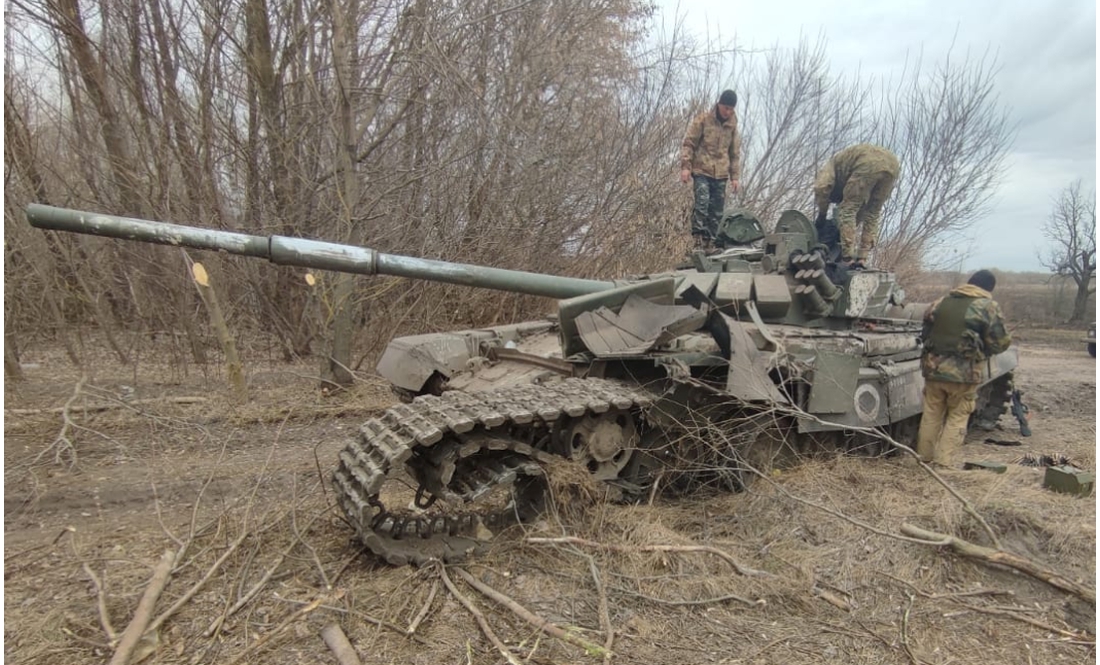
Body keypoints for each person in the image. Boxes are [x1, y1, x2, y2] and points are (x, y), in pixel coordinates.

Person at [916, 269, 1012, 468]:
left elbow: (925, 333)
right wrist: (983, 351)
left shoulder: (940, 302)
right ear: (988, 288)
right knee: (957, 416)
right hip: (964, 374)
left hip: (933, 370)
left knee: (931, 414)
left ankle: (923, 459)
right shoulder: (987, 307)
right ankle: (944, 463)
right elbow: (1001, 342)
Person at [812, 143, 899, 262]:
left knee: (848, 209)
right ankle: (863, 257)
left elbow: (821, 187)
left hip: (867, 163)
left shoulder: (831, 166)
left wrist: (821, 216)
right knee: (873, 212)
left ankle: (847, 257)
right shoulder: (844, 167)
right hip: (893, 164)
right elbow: (861, 213)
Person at [680, 89, 742, 247]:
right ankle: (697, 239)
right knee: (702, 202)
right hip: (702, 169)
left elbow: (734, 153)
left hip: (721, 173)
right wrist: (686, 167)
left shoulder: (732, 126)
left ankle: (710, 242)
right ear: (719, 105)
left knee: (717, 210)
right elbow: (689, 143)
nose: (727, 112)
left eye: (731, 109)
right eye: (725, 108)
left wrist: (735, 177)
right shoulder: (704, 119)